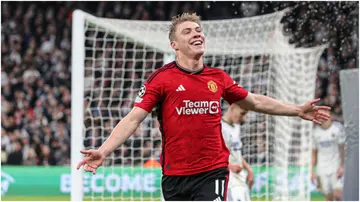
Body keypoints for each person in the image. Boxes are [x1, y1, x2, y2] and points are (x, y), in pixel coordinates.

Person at [77, 13, 331, 201]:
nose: (196, 33)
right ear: (174, 45)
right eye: (187, 31)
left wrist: (297, 110)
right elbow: (133, 119)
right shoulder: (161, 79)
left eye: (198, 30)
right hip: (174, 177)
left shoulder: (218, 78)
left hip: (212, 172)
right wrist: (104, 150)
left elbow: (254, 101)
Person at [221, 103, 254, 201]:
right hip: (227, 176)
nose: (244, 118)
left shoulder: (236, 127)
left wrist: (249, 169)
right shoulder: (219, 128)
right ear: (232, 107)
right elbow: (214, 156)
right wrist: (230, 166)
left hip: (239, 175)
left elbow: (236, 153)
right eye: (242, 113)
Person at [312, 114, 345, 201]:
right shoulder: (315, 132)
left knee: (338, 195)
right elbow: (313, 152)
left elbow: (343, 148)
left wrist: (342, 165)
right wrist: (312, 171)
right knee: (328, 197)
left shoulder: (338, 128)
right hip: (322, 168)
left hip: (336, 166)